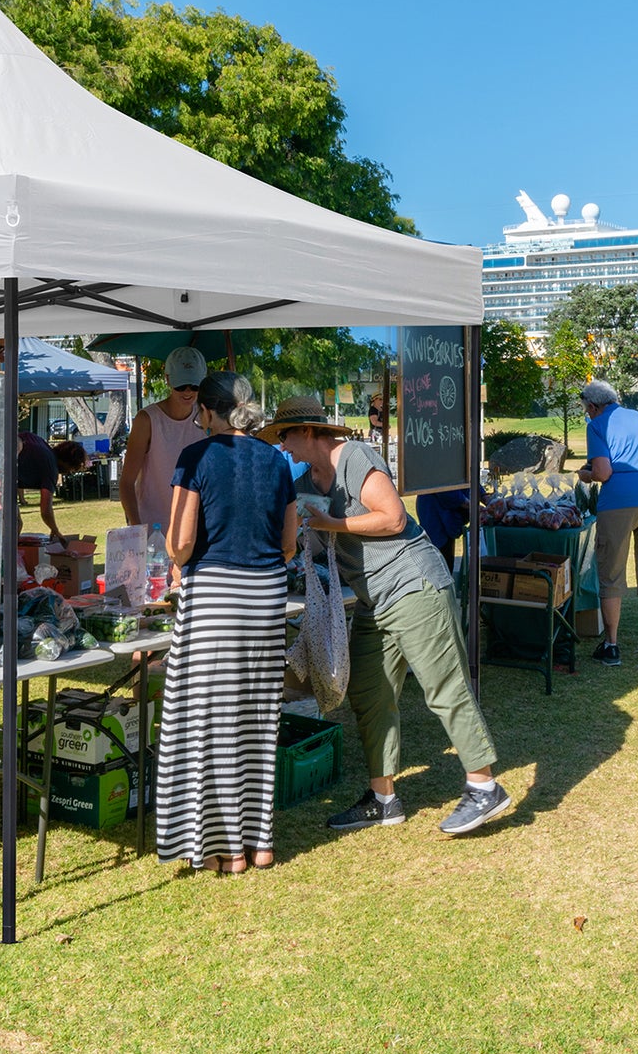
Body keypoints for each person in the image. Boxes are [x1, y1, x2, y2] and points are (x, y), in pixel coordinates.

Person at [268, 395, 511, 837]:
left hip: (413, 586)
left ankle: (484, 785)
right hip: (372, 599)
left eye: (284, 435)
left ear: (307, 431)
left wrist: (330, 525)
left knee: (443, 687)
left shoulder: (355, 457)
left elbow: (393, 518)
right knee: (368, 691)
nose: (281, 446)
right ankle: (383, 799)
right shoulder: (308, 479)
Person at [156, 372, 298, 875]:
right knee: (256, 720)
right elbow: (289, 543)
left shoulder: (196, 457)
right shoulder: (277, 460)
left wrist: (173, 554)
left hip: (215, 596)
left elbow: (181, 544)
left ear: (210, 413)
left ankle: (225, 850)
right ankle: (260, 843)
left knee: (210, 724)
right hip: (266, 598)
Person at [577, 379, 638, 667]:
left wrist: (587, 475)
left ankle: (611, 646)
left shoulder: (596, 424)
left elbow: (604, 472)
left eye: (587, 409)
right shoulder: (637, 416)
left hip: (618, 500)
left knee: (611, 576)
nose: (587, 414)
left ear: (593, 406)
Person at [119, 345, 208, 534]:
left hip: (196, 529)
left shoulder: (206, 417)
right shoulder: (147, 420)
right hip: (155, 530)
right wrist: (137, 529)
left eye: (194, 386)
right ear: (168, 380)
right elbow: (126, 482)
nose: (187, 392)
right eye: (180, 385)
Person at [17, 429, 64, 541]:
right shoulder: (51, 469)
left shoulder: (41, 443)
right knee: (14, 524)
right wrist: (55, 530)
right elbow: (45, 510)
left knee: (16, 523)